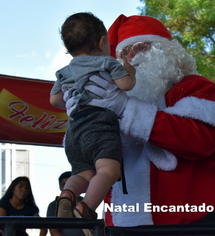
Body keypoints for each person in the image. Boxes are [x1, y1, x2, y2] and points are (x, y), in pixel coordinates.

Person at [70, 14, 215, 231]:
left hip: (199, 223)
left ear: (165, 50)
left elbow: (199, 140)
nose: (130, 58)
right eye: (123, 53)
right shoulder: (110, 101)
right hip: (125, 225)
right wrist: (82, 119)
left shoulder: (196, 87)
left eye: (138, 47)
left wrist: (128, 109)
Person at [49, 12, 136, 231]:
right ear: (101, 41)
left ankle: (68, 194)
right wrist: (130, 72)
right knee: (108, 171)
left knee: (83, 174)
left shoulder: (63, 72)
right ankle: (86, 208)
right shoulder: (107, 62)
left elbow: (55, 100)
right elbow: (125, 85)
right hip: (99, 124)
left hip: (74, 128)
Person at [46, 171, 84, 236]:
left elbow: (93, 228)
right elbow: (54, 232)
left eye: (69, 184)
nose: (67, 187)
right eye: (64, 184)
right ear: (60, 187)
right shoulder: (53, 205)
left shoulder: (85, 202)